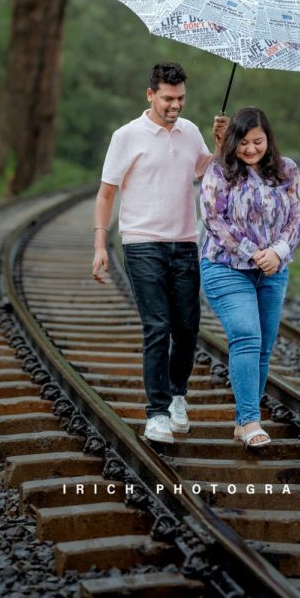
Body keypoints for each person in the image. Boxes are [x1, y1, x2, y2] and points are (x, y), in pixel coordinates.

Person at [92, 61, 227, 444]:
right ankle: (156, 414)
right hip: (141, 242)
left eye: (181, 98)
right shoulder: (126, 136)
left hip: (185, 241)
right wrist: (100, 244)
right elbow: (106, 194)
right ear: (150, 94)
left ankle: (177, 396)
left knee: (187, 329)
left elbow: (207, 172)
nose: (175, 105)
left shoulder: (190, 132)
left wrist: (218, 145)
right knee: (158, 327)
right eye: (168, 98)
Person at [199, 107, 300, 448]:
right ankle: (249, 422)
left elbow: (298, 216)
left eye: (257, 141)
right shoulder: (220, 171)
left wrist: (277, 251)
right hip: (226, 268)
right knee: (246, 336)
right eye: (243, 142)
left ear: (268, 139)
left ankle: (244, 419)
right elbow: (214, 220)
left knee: (263, 347)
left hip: (273, 270)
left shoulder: (287, 169)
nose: (250, 149)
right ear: (233, 141)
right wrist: (252, 252)